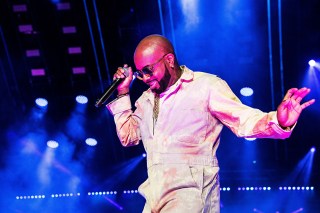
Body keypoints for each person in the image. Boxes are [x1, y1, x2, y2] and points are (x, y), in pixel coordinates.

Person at [106, 34, 315, 213]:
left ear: (169, 60)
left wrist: (278, 121)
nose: (145, 78)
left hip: (191, 195)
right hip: (153, 196)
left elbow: (243, 120)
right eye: (140, 73)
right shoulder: (145, 100)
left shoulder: (205, 86)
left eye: (149, 70)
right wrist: (123, 92)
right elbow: (128, 137)